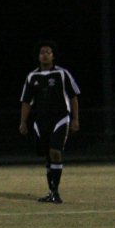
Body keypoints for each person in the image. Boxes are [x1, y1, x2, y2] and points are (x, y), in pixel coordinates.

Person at [19, 40, 81, 203]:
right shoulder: (32, 76)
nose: (45, 55)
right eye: (42, 52)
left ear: (53, 56)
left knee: (55, 151)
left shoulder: (62, 74)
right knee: (47, 155)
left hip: (60, 118)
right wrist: (23, 122)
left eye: (48, 52)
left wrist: (75, 119)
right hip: (40, 121)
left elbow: (73, 97)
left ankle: (55, 192)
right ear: (38, 57)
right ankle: (51, 192)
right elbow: (26, 101)